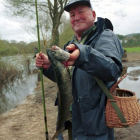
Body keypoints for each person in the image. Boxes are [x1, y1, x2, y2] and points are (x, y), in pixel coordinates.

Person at [35, 0, 124, 139]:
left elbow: (112, 70)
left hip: (94, 125)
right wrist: (50, 67)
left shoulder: (106, 36)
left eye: (81, 12)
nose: (76, 17)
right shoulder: (70, 44)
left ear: (93, 14)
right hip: (71, 120)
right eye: (72, 15)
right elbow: (66, 79)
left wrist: (84, 55)